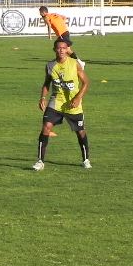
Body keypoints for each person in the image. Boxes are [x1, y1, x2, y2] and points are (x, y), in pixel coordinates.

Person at [32, 39, 91, 171]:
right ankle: (40, 161)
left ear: (67, 49)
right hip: (56, 102)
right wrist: (42, 97)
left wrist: (77, 98)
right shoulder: (50, 65)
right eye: (59, 48)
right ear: (55, 49)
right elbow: (47, 83)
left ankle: (86, 159)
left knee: (80, 132)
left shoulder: (75, 64)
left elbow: (86, 82)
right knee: (46, 127)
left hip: (72, 103)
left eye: (64, 48)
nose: (61, 50)